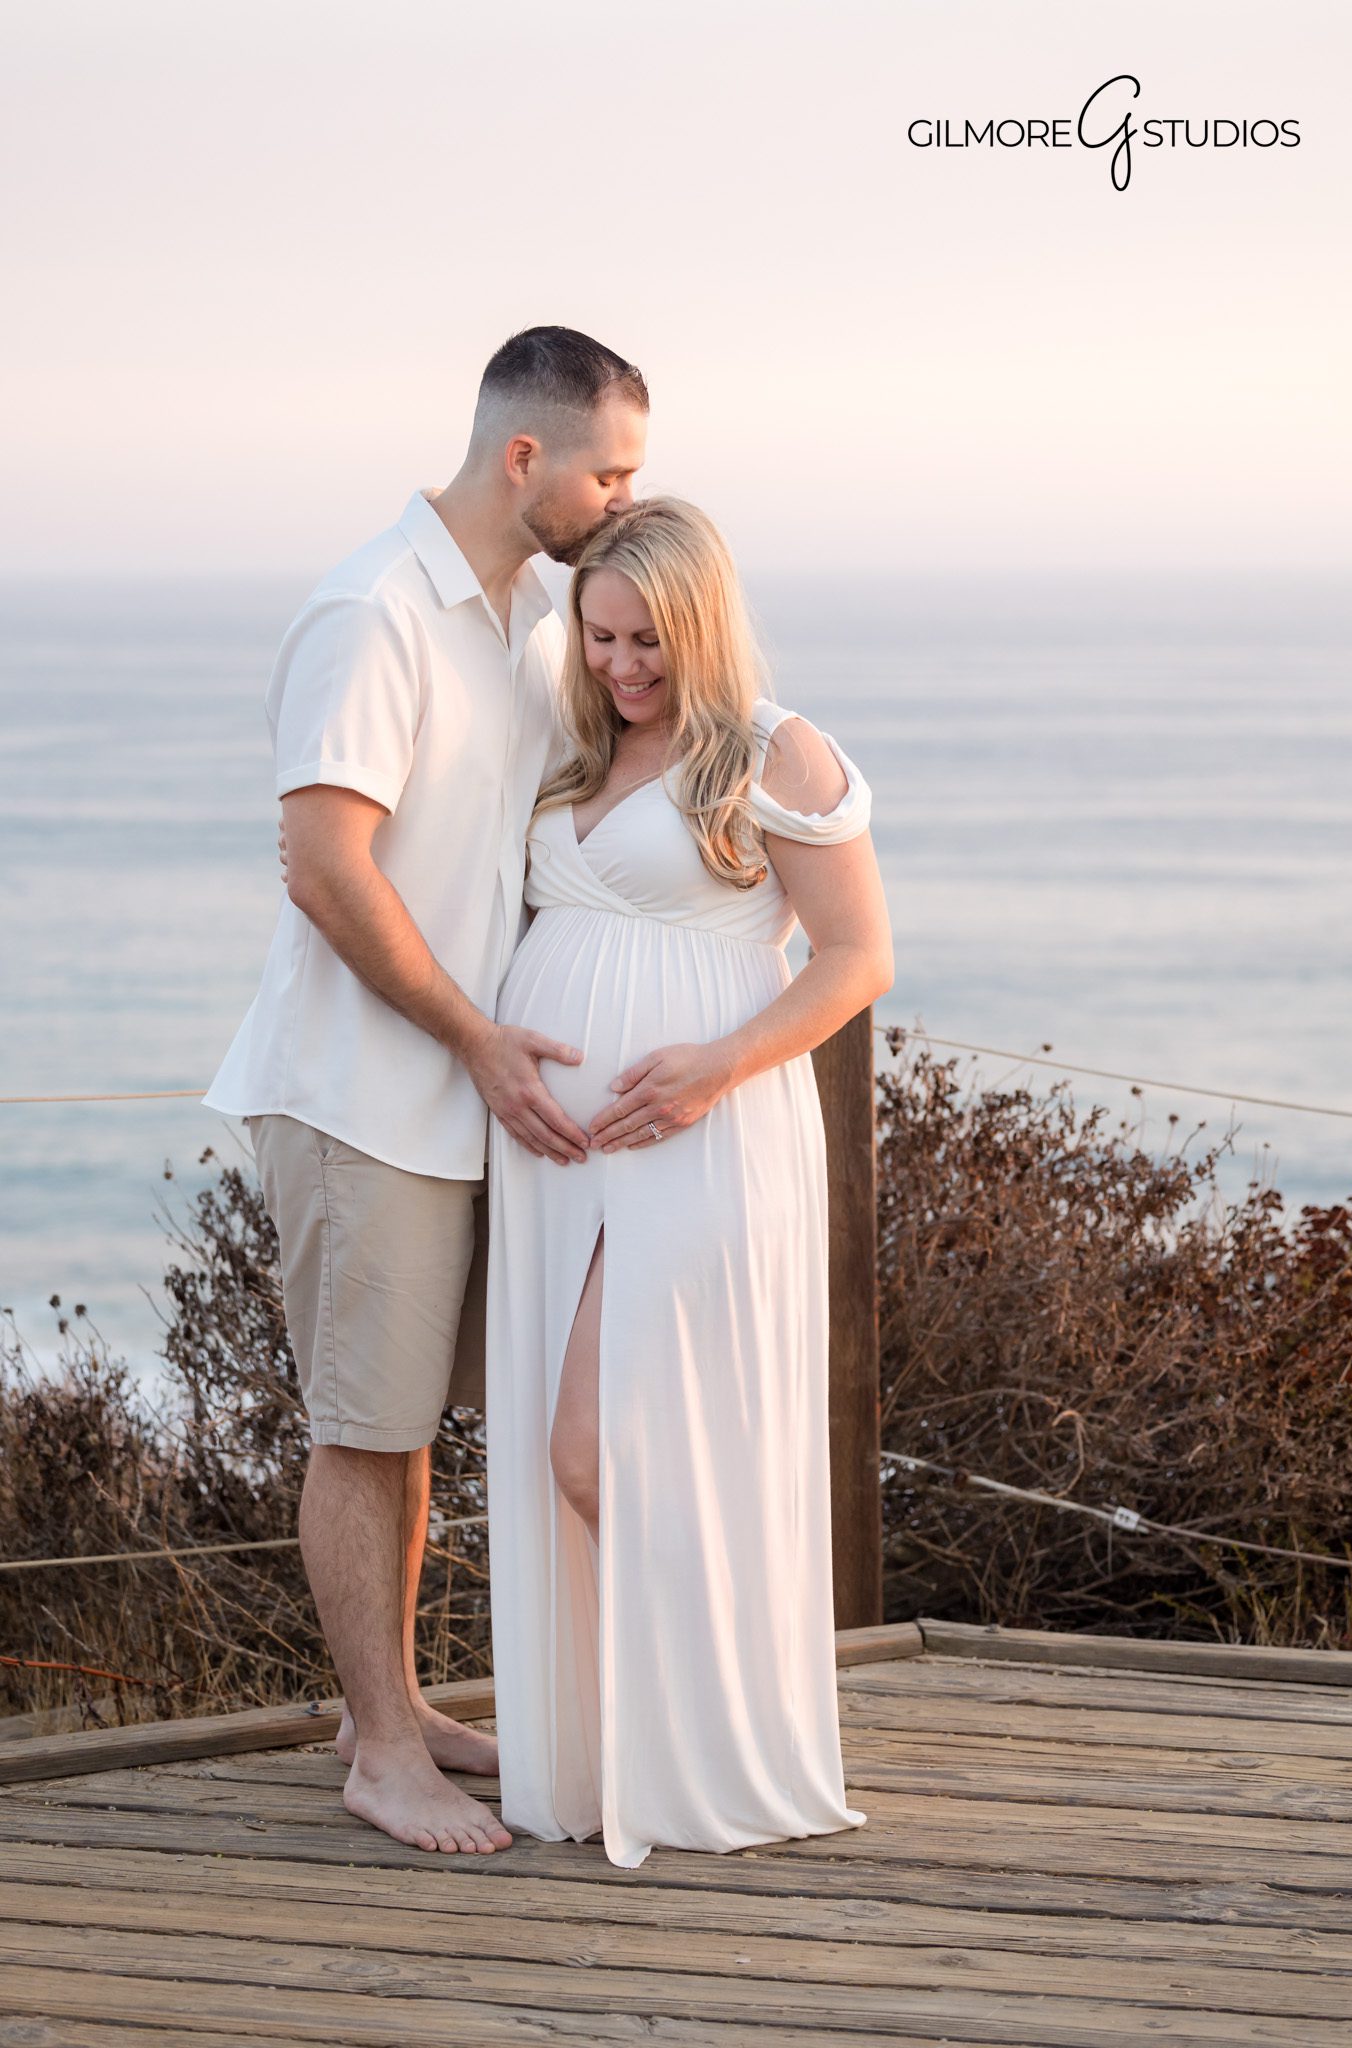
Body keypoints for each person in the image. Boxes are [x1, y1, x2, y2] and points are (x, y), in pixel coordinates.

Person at [203, 326, 649, 1856]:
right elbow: (326, 866)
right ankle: (380, 1753)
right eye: (610, 470)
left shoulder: (534, 617)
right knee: (365, 1426)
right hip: (359, 1095)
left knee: (418, 1428)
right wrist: (473, 1033)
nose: (622, 498)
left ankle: (385, 1703)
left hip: (461, 1101)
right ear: (523, 457)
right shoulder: (373, 610)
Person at [485, 495, 894, 1867]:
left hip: (702, 1140)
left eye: (647, 639)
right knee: (586, 1453)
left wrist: (717, 1066)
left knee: (601, 1451)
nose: (619, 665)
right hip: (565, 1160)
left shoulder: (774, 752)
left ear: (700, 622)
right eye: (598, 636)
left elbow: (854, 960)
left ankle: (714, 1741)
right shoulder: (577, 743)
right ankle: (620, 1756)